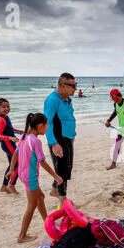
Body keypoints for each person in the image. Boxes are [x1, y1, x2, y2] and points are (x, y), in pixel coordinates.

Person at [6, 113, 63, 243]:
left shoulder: (24, 137)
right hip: (30, 177)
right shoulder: (35, 141)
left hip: (23, 174)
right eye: (47, 126)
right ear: (40, 126)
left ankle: (47, 223)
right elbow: (42, 162)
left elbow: (15, 154)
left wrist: (11, 170)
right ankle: (22, 236)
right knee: (31, 205)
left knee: (40, 197)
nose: (47, 129)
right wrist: (56, 176)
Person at [43, 73, 77, 206]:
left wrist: (73, 134)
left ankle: (54, 190)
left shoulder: (67, 98)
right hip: (58, 140)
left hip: (68, 138)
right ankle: (63, 202)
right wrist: (53, 143)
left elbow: (68, 117)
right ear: (63, 85)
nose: (75, 88)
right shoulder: (52, 100)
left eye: (76, 85)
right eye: (73, 86)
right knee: (62, 170)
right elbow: (48, 123)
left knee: (66, 168)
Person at [0, 98, 22, 195]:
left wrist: (20, 132)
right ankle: (11, 185)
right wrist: (9, 138)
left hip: (10, 143)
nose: (7, 109)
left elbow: (10, 129)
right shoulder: (0, 119)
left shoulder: (6, 117)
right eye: (3, 107)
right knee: (18, 163)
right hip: (7, 144)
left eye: (8, 106)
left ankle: (4, 187)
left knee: (12, 164)